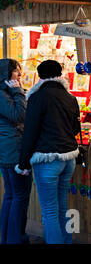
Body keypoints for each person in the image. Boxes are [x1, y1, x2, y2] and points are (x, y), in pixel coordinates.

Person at [17, 60, 81, 244]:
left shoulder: (37, 97)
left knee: (50, 211)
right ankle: (66, 241)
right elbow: (75, 129)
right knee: (63, 207)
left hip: (47, 159)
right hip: (69, 158)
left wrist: (23, 163)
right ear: (60, 74)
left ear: (40, 76)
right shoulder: (70, 97)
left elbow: (30, 133)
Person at [0, 59, 30, 244]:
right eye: (16, 72)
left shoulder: (5, 93)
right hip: (13, 150)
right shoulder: (3, 94)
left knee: (11, 195)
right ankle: (16, 239)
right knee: (19, 196)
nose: (20, 75)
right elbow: (19, 115)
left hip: (8, 149)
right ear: (7, 74)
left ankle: (7, 238)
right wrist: (18, 91)